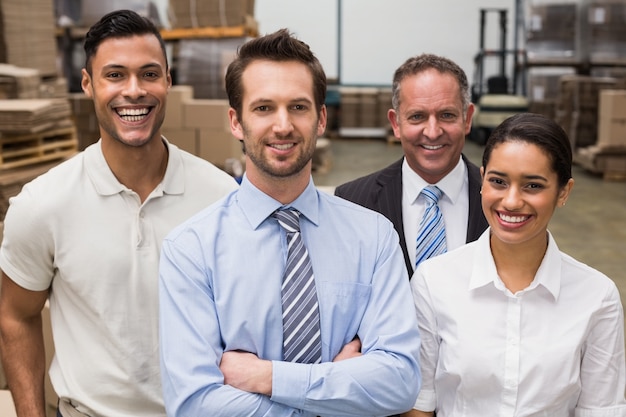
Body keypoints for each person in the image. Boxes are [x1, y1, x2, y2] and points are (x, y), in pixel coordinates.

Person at [158, 28, 422, 417]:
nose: (283, 126)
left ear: (321, 119)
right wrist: (335, 386)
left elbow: (400, 382)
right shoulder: (190, 250)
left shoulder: (374, 237)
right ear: (235, 121)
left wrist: (268, 378)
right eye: (264, 108)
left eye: (298, 107)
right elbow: (196, 404)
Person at [0, 10, 238, 417]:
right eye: (115, 75)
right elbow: (16, 316)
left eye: (149, 74)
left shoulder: (221, 197)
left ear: (167, 80)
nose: (134, 90)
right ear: (88, 84)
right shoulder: (43, 204)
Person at [406, 112, 626, 416]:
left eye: (533, 186)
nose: (510, 201)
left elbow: (600, 410)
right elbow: (420, 405)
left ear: (564, 192)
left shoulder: (597, 297)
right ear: (482, 180)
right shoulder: (434, 282)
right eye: (498, 181)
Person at [335, 54, 488, 276]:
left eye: (446, 115)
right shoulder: (353, 203)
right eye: (417, 116)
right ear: (396, 123)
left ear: (467, 118)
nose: (433, 132)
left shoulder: (500, 200)